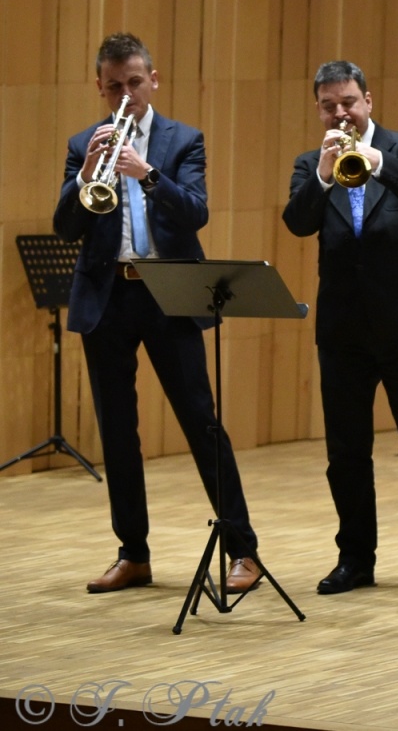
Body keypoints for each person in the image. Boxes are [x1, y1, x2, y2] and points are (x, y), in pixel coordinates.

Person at [53, 33, 263, 596]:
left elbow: (196, 212)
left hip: (170, 294)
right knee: (118, 433)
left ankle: (244, 550)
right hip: (108, 298)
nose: (127, 93)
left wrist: (146, 173)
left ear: (154, 80)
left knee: (201, 421)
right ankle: (134, 553)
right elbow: (66, 228)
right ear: (100, 86)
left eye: (135, 82)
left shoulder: (181, 140)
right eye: (115, 85)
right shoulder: (83, 143)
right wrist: (85, 175)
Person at [282, 60, 398, 595]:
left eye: (348, 102)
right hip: (344, 333)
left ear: (368, 99)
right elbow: (298, 222)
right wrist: (321, 173)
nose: (341, 113)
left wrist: (377, 161)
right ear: (319, 109)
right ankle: (355, 559)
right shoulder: (309, 163)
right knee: (346, 454)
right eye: (329, 106)